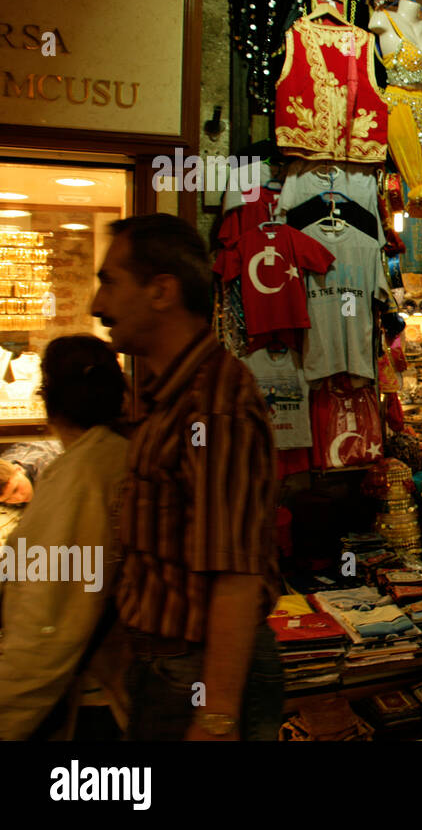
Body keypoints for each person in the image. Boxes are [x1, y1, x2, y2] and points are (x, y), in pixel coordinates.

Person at [91, 213, 283, 739]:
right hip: (168, 670)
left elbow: (235, 573)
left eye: (109, 282)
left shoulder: (213, 403)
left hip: (195, 676)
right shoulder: (162, 396)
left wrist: (217, 716)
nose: (97, 305)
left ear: (162, 291)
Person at [0, 336, 129, 739]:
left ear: (45, 397)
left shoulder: (82, 480)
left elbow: (47, 627)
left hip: (89, 705)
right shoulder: (106, 460)